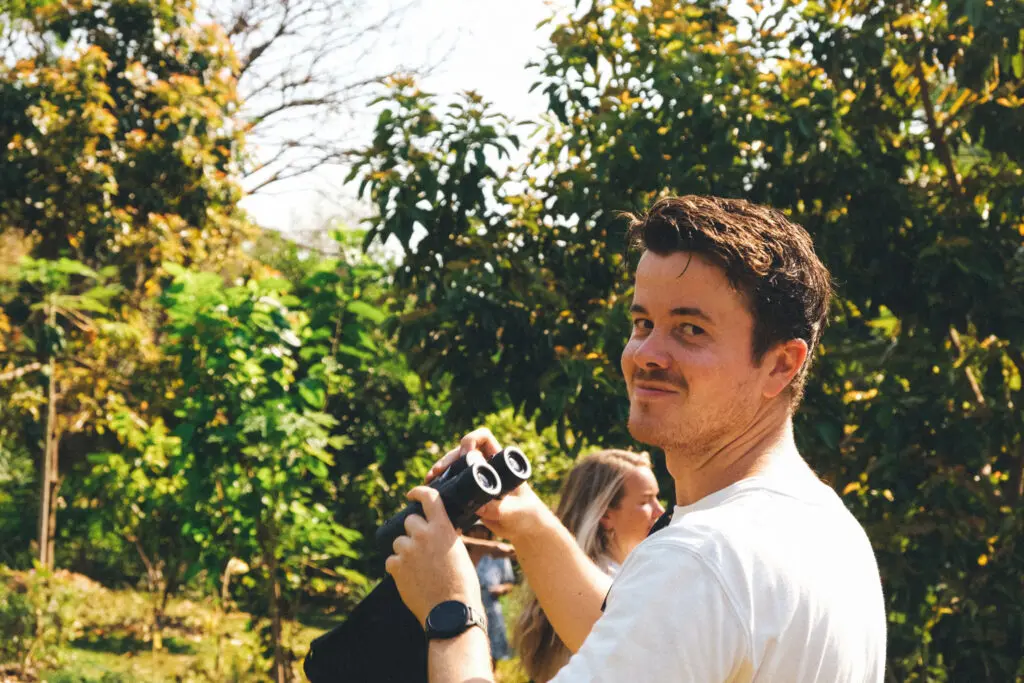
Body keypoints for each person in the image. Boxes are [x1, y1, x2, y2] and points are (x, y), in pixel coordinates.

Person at [384, 195, 887, 683]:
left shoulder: (702, 558)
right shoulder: (825, 528)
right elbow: (647, 648)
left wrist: (450, 609)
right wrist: (530, 522)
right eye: (643, 322)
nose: (647, 352)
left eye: (690, 329)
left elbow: (682, 608)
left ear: (780, 363)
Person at [514, 449, 664, 682]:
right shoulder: (609, 587)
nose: (659, 510)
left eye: (657, 498)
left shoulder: (565, 576)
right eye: (645, 501)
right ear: (606, 516)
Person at [464, 523, 517, 669]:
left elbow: (510, 583)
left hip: (491, 608)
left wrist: (501, 589)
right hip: (467, 607)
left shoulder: (498, 555)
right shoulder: (462, 552)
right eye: (474, 529)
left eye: (482, 529)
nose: (478, 533)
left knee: (492, 650)